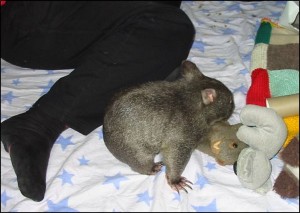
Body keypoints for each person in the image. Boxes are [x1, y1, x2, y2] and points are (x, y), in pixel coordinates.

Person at [1, 1, 195, 202]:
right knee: (165, 24)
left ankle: (145, 58)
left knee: (163, 15)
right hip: (21, 20)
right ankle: (40, 123)